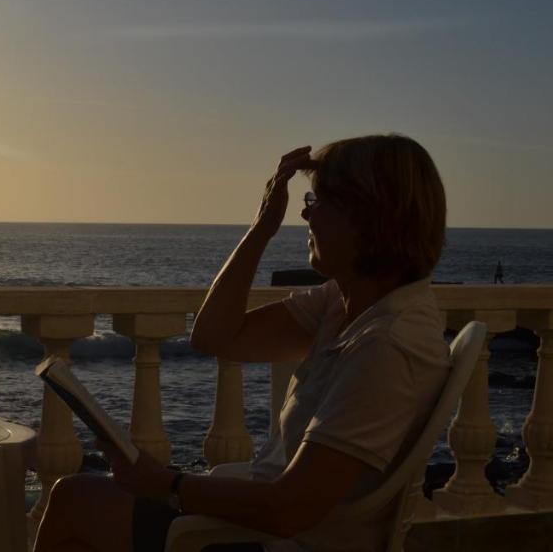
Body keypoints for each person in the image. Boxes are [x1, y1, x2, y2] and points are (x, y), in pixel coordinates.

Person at [34, 134, 449, 552]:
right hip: (258, 524)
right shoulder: (345, 304)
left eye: (318, 201)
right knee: (80, 507)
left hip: (274, 540)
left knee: (74, 502)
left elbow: (289, 510)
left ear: (366, 216)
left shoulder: (386, 344)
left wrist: (166, 484)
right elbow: (215, 336)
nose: (306, 215)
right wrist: (261, 228)